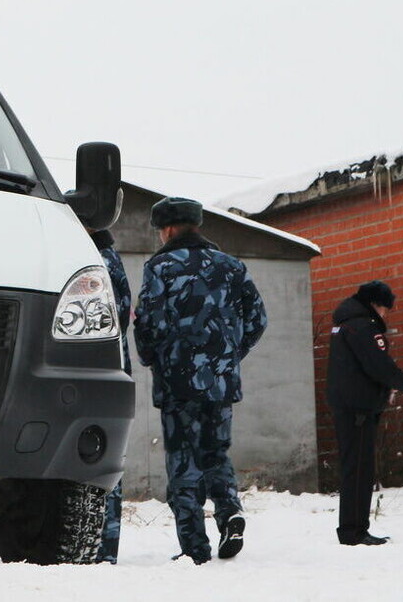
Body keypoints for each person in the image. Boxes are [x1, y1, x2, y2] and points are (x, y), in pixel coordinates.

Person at [133, 197, 266, 565]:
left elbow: (149, 324)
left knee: (182, 460)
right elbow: (257, 319)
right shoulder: (232, 266)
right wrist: (229, 357)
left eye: (161, 230)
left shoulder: (160, 267)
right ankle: (230, 512)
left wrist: (151, 359)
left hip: (177, 382)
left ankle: (194, 547)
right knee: (214, 452)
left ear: (170, 229)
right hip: (220, 382)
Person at [326, 281, 403, 546]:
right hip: (358, 408)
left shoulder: (345, 323)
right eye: (386, 309)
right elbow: (378, 365)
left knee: (355, 467)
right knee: (359, 469)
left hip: (348, 405)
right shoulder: (363, 326)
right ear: (377, 304)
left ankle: (353, 529)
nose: (386, 315)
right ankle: (354, 532)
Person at [91, 228, 131, 564]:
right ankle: (104, 548)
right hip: (109, 371)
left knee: (102, 461)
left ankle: (104, 549)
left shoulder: (95, 259)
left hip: (99, 370)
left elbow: (118, 316)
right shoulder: (110, 258)